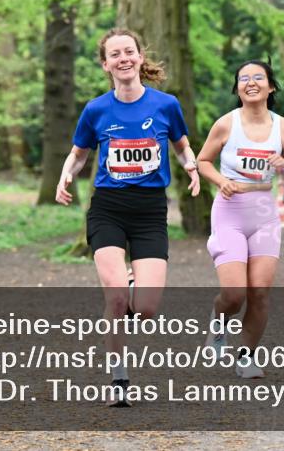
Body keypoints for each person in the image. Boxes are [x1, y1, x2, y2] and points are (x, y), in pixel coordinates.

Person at [55, 28, 201, 406]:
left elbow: (183, 148)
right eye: (114, 54)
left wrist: (192, 168)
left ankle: (133, 282)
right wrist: (65, 173)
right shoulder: (96, 109)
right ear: (106, 64)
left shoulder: (166, 105)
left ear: (139, 58)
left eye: (129, 52)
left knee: (147, 310)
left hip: (151, 210)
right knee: (117, 297)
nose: (123, 58)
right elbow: (79, 153)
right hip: (109, 209)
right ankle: (119, 379)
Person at [196, 60, 284, 378]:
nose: (251, 82)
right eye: (244, 78)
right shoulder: (226, 124)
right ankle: (219, 320)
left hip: (264, 214)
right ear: (238, 88)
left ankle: (246, 356)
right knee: (234, 295)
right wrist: (220, 181)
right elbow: (203, 160)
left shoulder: (283, 127)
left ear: (271, 87)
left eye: (259, 77)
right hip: (229, 211)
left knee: (259, 291)